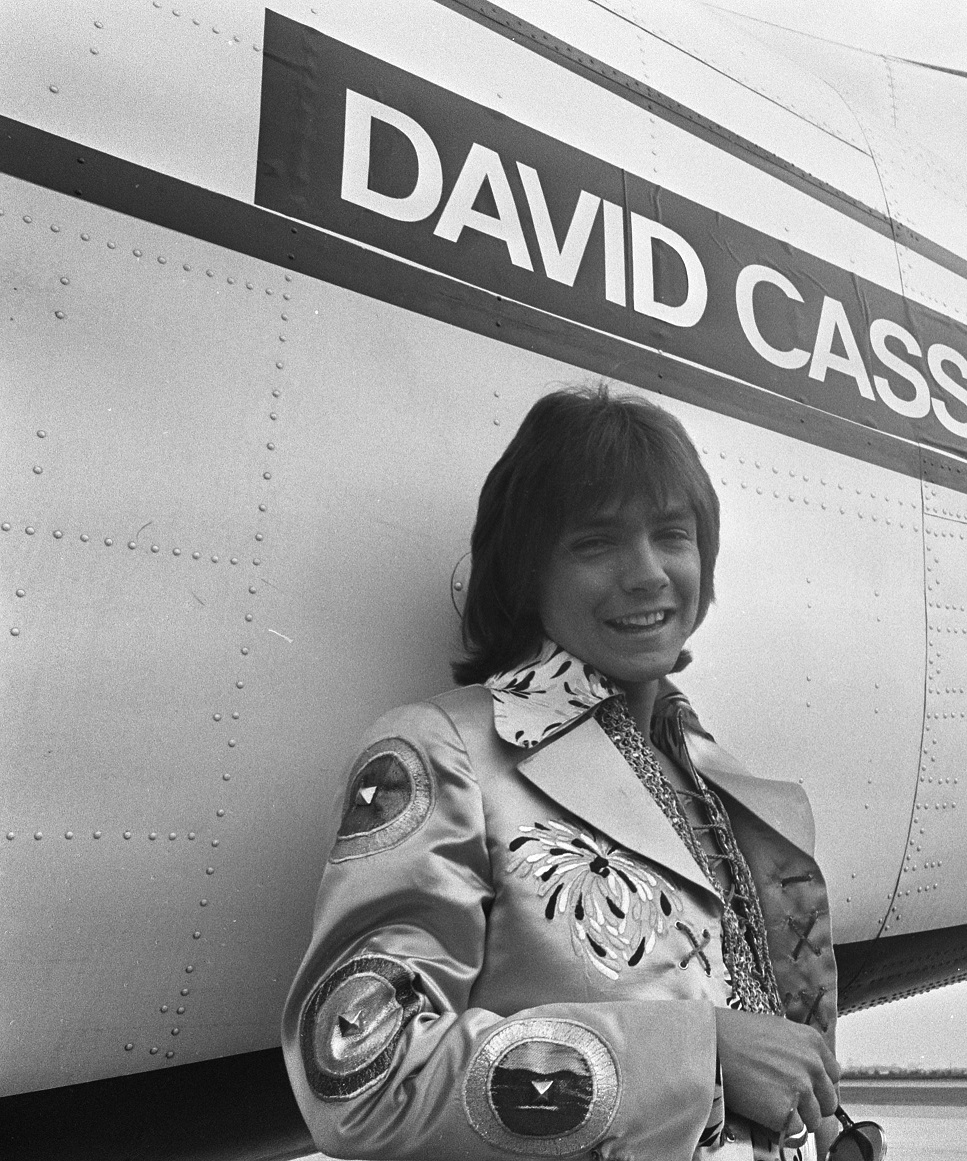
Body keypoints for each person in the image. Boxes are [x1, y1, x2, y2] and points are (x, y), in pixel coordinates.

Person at [280, 386, 841, 1160]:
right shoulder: (443, 753)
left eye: (671, 534)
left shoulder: (719, 785)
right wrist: (699, 1054)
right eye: (596, 543)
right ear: (526, 571)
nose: (647, 574)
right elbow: (368, 1082)